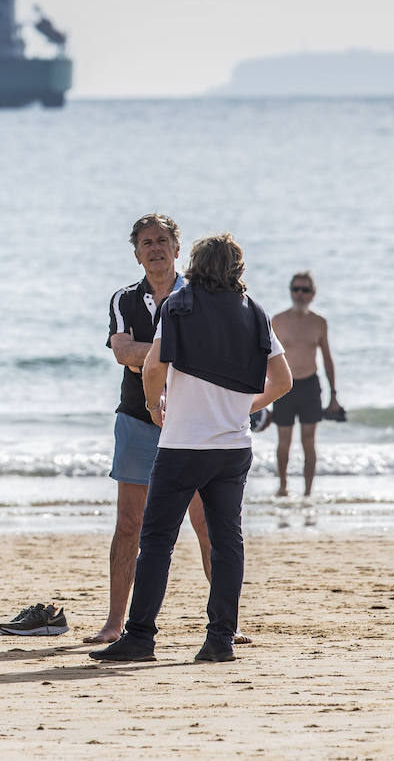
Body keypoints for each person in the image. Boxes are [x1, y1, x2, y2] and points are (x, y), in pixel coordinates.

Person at [92, 234, 292, 663]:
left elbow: (153, 366)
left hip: (183, 444)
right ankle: (220, 639)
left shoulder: (179, 307)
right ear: (236, 268)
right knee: (226, 542)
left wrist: (153, 403)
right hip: (234, 444)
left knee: (157, 540)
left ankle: (141, 637)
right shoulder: (255, 311)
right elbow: (283, 381)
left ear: (196, 264)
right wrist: (247, 406)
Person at [87, 214, 217, 645]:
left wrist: (155, 356)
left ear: (177, 249)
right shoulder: (124, 299)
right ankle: (113, 623)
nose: (155, 248)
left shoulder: (201, 296)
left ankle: (222, 623)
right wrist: (172, 354)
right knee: (129, 524)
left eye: (163, 241)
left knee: (206, 523)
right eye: (147, 242)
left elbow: (203, 354)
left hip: (192, 421)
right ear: (136, 252)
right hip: (137, 420)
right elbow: (123, 353)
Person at [271, 271, 341, 497]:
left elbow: (327, 359)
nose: (300, 294)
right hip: (284, 386)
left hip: (310, 386)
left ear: (313, 293)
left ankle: (308, 493)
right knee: (284, 441)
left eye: (305, 290)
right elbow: (266, 358)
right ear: (290, 291)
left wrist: (334, 394)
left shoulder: (319, 322)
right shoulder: (277, 321)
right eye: (296, 289)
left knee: (309, 441)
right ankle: (283, 486)